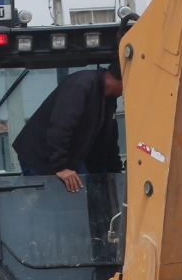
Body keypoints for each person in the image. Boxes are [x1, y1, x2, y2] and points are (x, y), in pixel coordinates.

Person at [10, 62, 123, 193]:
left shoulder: (108, 99)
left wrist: (117, 173)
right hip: (43, 156)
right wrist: (61, 167)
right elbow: (60, 127)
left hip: (71, 156)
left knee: (95, 199)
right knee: (57, 203)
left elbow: (108, 140)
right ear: (122, 80)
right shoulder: (81, 85)